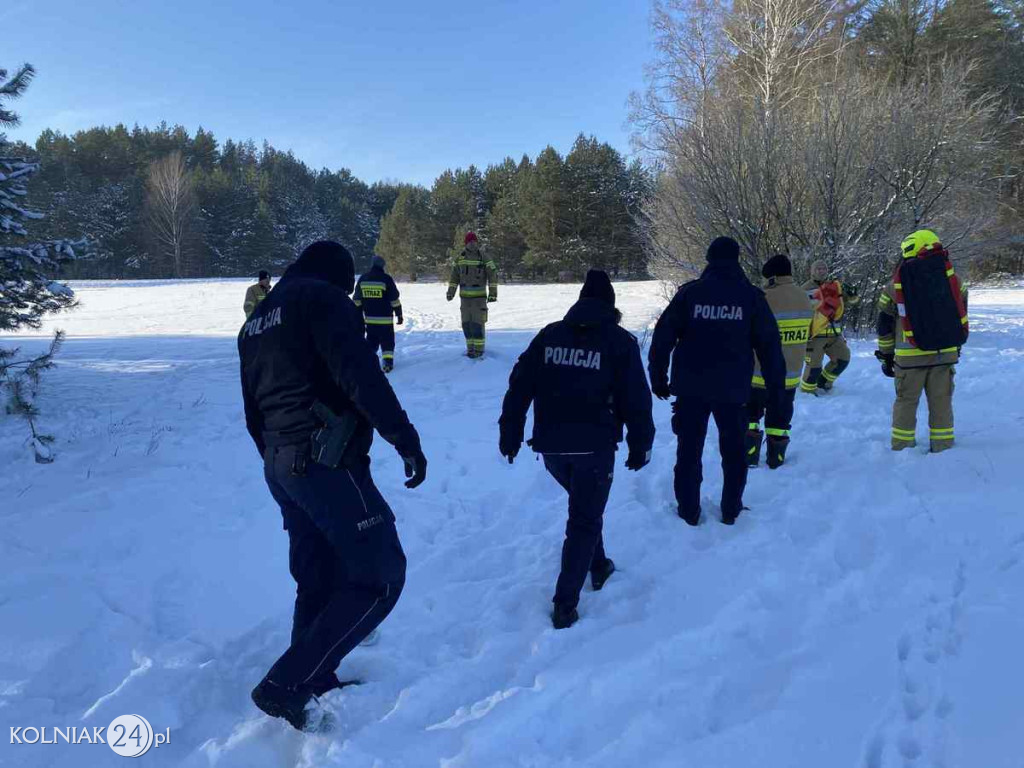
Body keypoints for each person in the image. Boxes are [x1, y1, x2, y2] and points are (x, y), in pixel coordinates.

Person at [238, 241, 428, 732]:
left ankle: (313, 682)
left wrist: (278, 460)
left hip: (282, 464)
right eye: (346, 286)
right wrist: (404, 439)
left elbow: (252, 408)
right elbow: (360, 376)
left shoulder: (256, 320)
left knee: (317, 575)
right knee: (381, 575)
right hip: (326, 461)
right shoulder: (323, 301)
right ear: (336, 277)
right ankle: (284, 685)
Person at [499, 270, 654, 629]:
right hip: (594, 448)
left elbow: (519, 384)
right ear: (611, 306)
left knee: (585, 507)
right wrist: (640, 444)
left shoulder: (550, 335)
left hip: (552, 449)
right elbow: (636, 400)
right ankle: (565, 604)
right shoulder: (620, 342)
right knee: (584, 518)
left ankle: (597, 564)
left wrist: (510, 430)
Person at [648, 237, 785, 526]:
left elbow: (663, 337)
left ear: (709, 259)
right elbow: (770, 346)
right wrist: (774, 389)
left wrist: (658, 376)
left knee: (688, 451)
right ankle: (731, 509)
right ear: (736, 260)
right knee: (734, 453)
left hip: (690, 388)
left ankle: (688, 510)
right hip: (733, 390)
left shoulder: (690, 294)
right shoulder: (751, 297)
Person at [875, 229, 968, 452]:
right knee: (942, 402)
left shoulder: (895, 284)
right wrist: (955, 347)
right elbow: (960, 315)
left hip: (909, 358)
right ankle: (943, 446)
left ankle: (902, 446)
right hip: (944, 355)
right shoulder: (955, 280)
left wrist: (886, 355)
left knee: (906, 402)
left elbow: (884, 324)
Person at [746, 254, 815, 468]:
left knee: (750, 417)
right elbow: (811, 332)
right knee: (780, 419)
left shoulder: (761, 297)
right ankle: (776, 458)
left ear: (772, 277)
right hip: (789, 375)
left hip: (759, 374)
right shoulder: (805, 298)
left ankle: (749, 456)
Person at [800, 260, 859, 394]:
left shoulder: (834, 286)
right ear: (812, 271)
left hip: (833, 335)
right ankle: (807, 394)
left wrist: (853, 295)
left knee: (843, 359)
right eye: (818, 269)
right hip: (814, 336)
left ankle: (823, 383)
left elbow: (851, 301)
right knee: (813, 368)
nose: (821, 271)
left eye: (824, 268)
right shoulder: (804, 289)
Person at [447, 231, 497, 358]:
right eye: (469, 241)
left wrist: (493, 293)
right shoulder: (460, 258)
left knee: (477, 324)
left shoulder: (484, 257)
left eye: (474, 241)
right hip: (465, 300)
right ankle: (470, 349)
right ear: (465, 243)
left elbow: (493, 275)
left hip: (479, 300)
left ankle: (479, 350)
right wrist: (450, 293)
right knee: (466, 325)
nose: (472, 244)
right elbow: (454, 277)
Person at [354, 255, 403, 373]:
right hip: (385, 320)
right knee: (387, 341)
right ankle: (387, 362)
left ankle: (367, 361)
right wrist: (399, 314)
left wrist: (357, 315)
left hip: (370, 320)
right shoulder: (386, 279)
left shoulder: (363, 278)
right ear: (382, 266)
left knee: (371, 340)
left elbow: (357, 299)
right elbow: (394, 299)